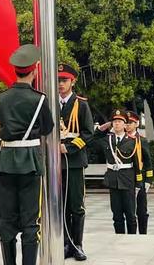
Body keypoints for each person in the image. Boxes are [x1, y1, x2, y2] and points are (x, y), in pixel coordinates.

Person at [0, 44, 54, 265]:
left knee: (8, 219)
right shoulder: (39, 99)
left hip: (7, 162)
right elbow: (47, 128)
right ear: (34, 71)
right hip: (29, 161)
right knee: (31, 222)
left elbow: (2, 125)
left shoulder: (3, 98)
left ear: (16, 70)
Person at [58, 63, 94, 261]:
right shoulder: (50, 103)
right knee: (60, 205)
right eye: (58, 80)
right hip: (56, 162)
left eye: (64, 80)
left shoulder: (81, 104)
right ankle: (65, 242)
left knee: (76, 205)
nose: (61, 84)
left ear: (72, 81)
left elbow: (88, 133)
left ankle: (77, 244)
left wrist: (70, 148)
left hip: (74, 160)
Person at [94, 110, 143, 234]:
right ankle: (118, 237)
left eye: (120, 121)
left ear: (125, 125)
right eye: (115, 121)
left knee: (131, 214)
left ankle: (132, 238)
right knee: (117, 215)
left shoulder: (133, 140)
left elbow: (138, 163)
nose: (117, 124)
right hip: (113, 180)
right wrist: (102, 127)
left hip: (128, 180)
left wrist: (139, 182)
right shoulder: (107, 139)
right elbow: (93, 139)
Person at [125, 111, 153, 234]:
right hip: (126, 178)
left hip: (140, 178)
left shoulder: (141, 140)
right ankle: (131, 234)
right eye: (126, 123)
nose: (128, 125)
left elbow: (148, 162)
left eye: (131, 123)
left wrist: (148, 181)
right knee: (129, 209)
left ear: (136, 124)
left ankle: (143, 234)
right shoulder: (121, 139)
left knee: (141, 209)